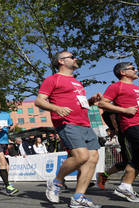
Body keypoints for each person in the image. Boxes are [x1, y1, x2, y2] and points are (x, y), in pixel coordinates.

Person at [35, 51, 102, 207]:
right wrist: (56, 108)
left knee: (92, 159)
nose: (75, 59)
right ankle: (56, 182)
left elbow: (80, 103)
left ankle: (78, 198)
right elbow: (39, 101)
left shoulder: (77, 82)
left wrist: (91, 101)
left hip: (85, 123)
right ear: (61, 61)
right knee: (81, 156)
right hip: (66, 122)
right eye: (72, 57)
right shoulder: (52, 79)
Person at [98, 62, 139, 203]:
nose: (136, 70)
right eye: (132, 68)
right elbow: (102, 103)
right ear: (123, 72)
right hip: (134, 124)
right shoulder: (116, 86)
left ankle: (125, 186)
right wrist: (124, 110)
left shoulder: (138, 88)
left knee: (138, 160)